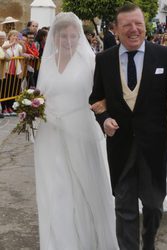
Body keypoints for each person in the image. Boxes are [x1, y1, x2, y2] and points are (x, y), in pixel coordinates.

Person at [89, 3, 167, 250]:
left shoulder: (164, 55)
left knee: (152, 206)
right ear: (116, 29)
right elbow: (96, 98)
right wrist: (104, 119)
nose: (134, 29)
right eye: (127, 25)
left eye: (138, 24)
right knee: (124, 206)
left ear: (145, 26)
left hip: (153, 147)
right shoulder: (104, 60)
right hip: (120, 146)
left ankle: (148, 245)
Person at [34, 12, 118, 250]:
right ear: (55, 37)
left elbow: (100, 94)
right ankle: (59, 239)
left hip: (80, 129)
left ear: (78, 36)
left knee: (84, 183)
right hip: (50, 133)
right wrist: (32, 107)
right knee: (56, 185)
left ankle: (90, 236)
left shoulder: (89, 61)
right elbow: (42, 94)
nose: (68, 40)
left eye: (72, 35)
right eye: (63, 36)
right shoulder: (48, 61)